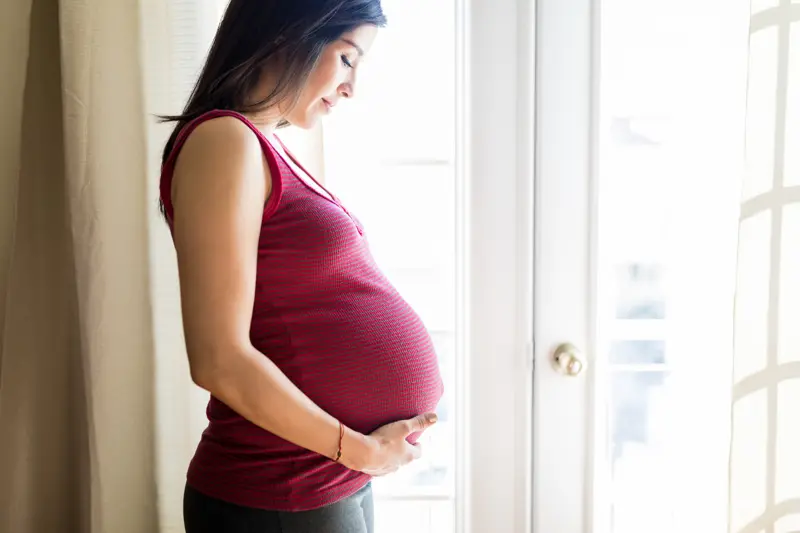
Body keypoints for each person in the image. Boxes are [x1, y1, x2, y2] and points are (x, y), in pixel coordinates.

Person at [157, 1, 444, 532]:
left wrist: (356, 455)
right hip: (280, 491)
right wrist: (354, 448)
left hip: (324, 476)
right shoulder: (224, 141)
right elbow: (219, 358)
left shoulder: (260, 144)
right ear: (292, 32)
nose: (351, 87)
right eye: (347, 58)